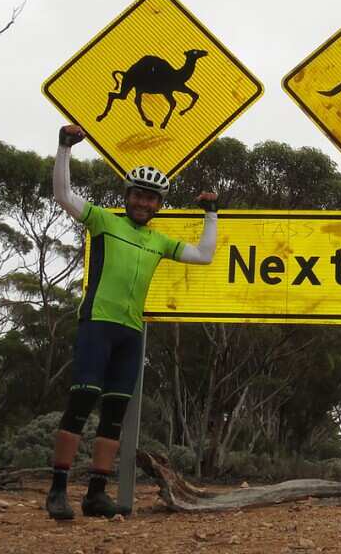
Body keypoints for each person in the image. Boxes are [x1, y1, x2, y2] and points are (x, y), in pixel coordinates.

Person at [46, 124, 218, 520]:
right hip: (97, 324)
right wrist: (64, 148)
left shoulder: (158, 241)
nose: (144, 202)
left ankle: (95, 494)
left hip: (131, 331)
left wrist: (211, 213)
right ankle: (57, 490)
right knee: (80, 404)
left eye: (151, 198)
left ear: (158, 205)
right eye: (139, 195)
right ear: (127, 197)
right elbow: (62, 195)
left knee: (114, 414)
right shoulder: (104, 221)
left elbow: (205, 255)